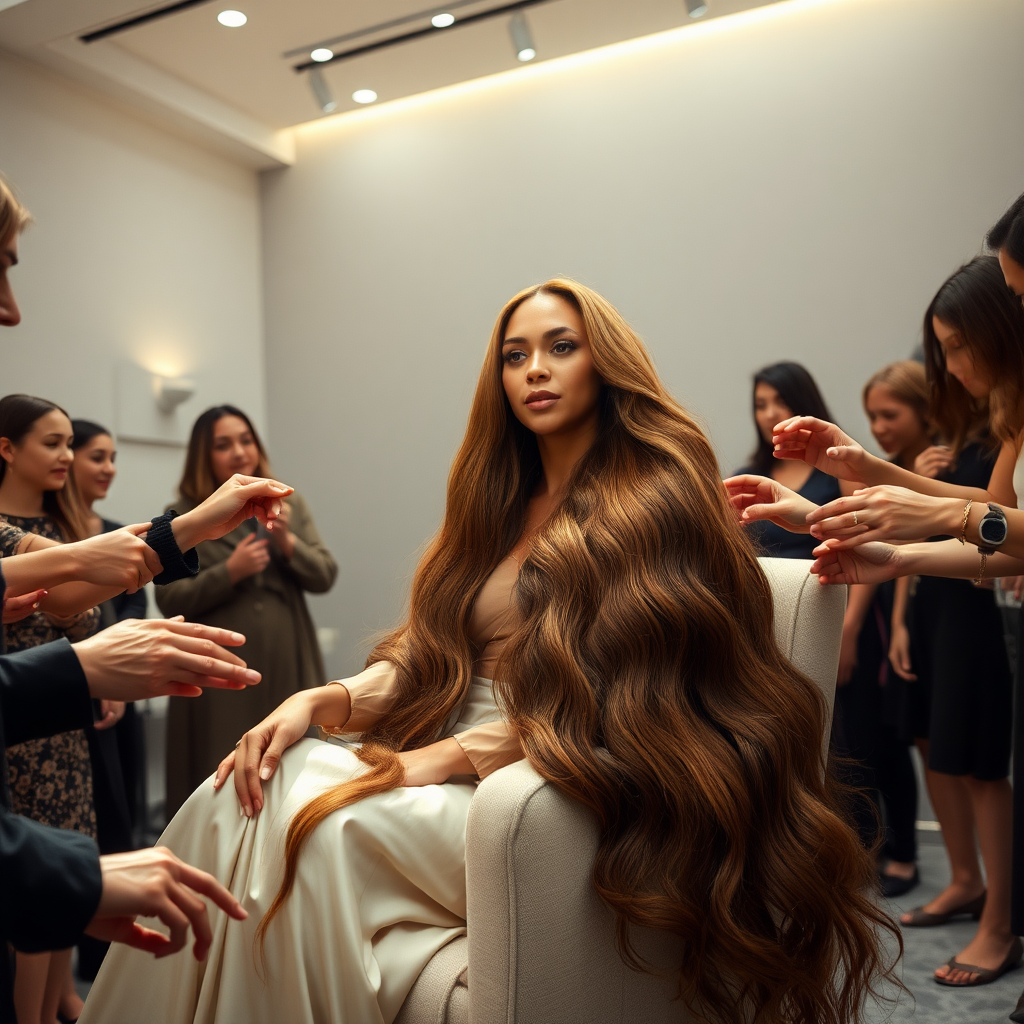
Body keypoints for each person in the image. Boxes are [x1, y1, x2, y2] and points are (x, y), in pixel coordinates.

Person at [83, 280, 897, 1024]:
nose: (535, 369)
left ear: (604, 364)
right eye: (516, 355)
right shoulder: (495, 500)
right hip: (443, 751)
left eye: (560, 347)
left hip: (569, 773)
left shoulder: (662, 495)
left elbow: (627, 695)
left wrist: (424, 763)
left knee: (321, 831)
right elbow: (431, 655)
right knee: (235, 792)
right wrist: (318, 702)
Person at [0, 172, 297, 1024]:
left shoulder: (44, 531)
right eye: (3, 269)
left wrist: (191, 524)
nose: (14, 309)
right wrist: (85, 666)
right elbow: (74, 573)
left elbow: (83, 569)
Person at [157, 405, 337, 815]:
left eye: (246, 440)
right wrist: (229, 572)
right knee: (219, 777)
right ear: (203, 454)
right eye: (224, 445)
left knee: (289, 771)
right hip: (217, 674)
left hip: (286, 663)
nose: (239, 452)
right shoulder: (185, 514)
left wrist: (288, 544)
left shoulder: (287, 502)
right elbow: (168, 599)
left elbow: (325, 575)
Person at [0, 392, 104, 1024]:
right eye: (52, 442)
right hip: (19, 715)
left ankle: (59, 1002)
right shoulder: (14, 537)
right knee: (32, 873)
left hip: (66, 716)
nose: (66, 455)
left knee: (70, 848)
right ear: (7, 449)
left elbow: (81, 615)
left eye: (71, 442)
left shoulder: (63, 530)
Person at [70, 418, 150, 985]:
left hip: (122, 698)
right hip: (72, 693)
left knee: (121, 819)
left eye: (113, 457)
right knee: (78, 823)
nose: (109, 468)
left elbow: (135, 609)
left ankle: (108, 967)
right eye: (96, 456)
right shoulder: (48, 536)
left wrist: (122, 685)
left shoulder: (119, 531)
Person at [737, 361, 843, 558]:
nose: (770, 415)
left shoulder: (840, 466)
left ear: (803, 403)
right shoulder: (746, 478)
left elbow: (865, 543)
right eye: (761, 405)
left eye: (782, 402)